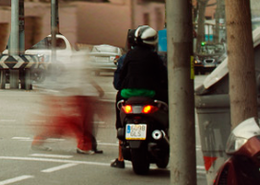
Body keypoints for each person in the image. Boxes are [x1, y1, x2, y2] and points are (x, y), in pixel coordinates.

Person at [110, 25, 168, 169]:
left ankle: (119, 128)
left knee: (119, 102)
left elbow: (119, 81)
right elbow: (164, 78)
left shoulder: (128, 56)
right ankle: (170, 129)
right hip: (150, 94)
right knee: (169, 102)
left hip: (128, 94)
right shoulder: (155, 57)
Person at [30, 50, 104, 154]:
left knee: (72, 124)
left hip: (76, 95)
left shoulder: (74, 59)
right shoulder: (79, 60)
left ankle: (85, 145)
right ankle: (83, 146)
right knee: (75, 124)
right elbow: (81, 80)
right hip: (79, 95)